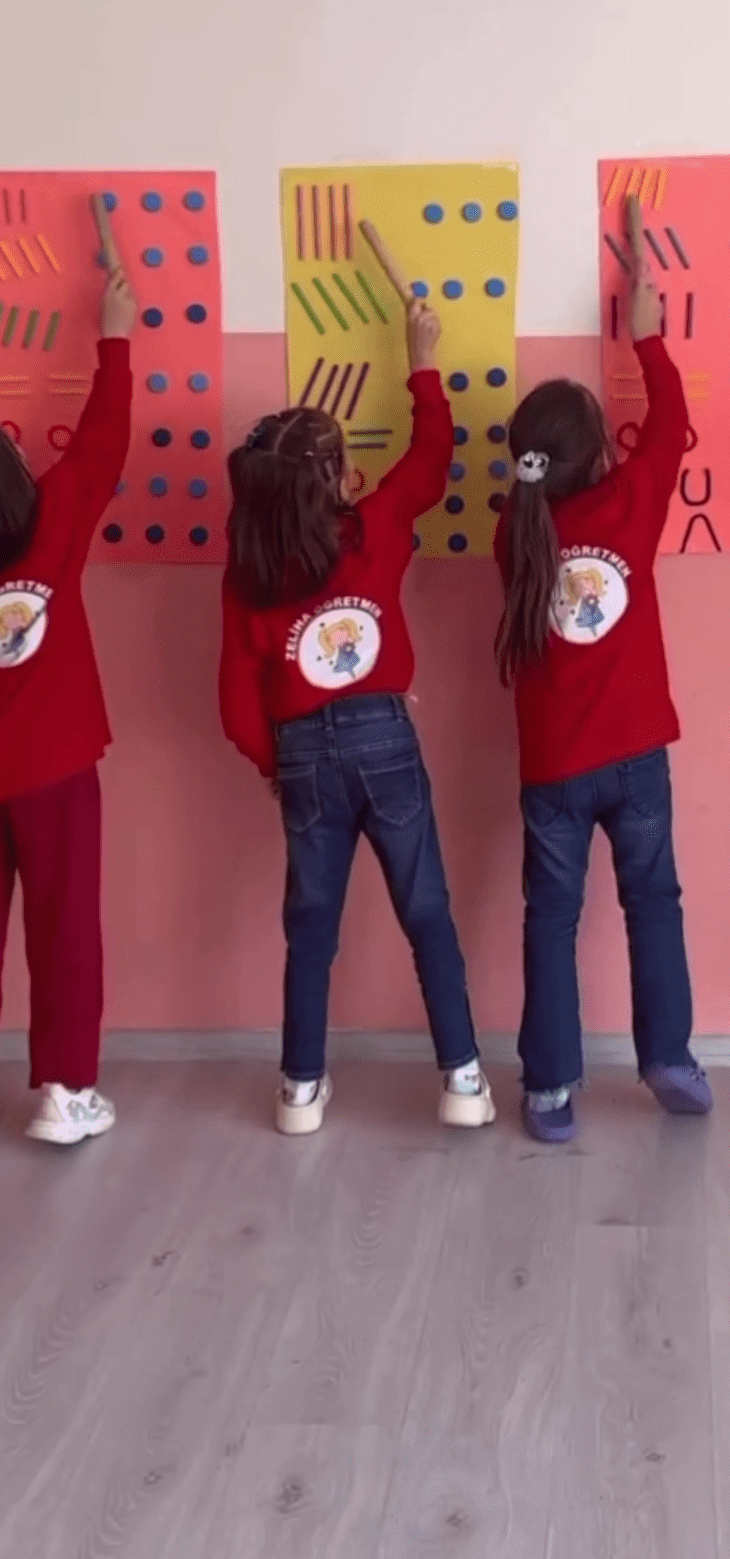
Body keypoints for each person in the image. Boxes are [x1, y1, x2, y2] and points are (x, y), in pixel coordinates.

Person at [219, 287, 494, 1135]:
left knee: (311, 927)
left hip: (300, 752)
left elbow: (235, 697)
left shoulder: (249, 574)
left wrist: (273, 763)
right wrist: (422, 358)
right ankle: (464, 1080)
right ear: (338, 480)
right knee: (427, 912)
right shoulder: (375, 525)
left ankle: (301, 1088)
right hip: (385, 740)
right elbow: (432, 455)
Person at [492, 194, 711, 1143]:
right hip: (636, 758)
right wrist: (647, 333)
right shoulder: (629, 508)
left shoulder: (513, 534)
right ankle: (669, 1059)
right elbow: (670, 424)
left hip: (554, 770)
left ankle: (549, 1091)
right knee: (652, 902)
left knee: (550, 917)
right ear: (596, 459)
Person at [0, 264, 136, 1144]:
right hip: (53, 768)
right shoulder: (50, 520)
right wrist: (115, 335)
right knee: (65, 929)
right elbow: (104, 437)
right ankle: (65, 1090)